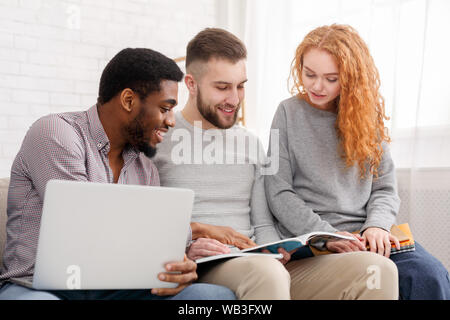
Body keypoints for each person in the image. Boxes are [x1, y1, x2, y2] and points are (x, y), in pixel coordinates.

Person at [153, 27, 399, 300]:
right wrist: (185, 245)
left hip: (257, 259)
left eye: (241, 86)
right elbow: (146, 223)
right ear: (191, 84)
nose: (234, 99)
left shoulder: (251, 144)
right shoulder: (158, 140)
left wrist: (274, 248)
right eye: (222, 87)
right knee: (266, 273)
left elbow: (262, 219)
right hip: (206, 263)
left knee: (378, 271)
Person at [0, 48, 235, 300]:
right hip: (39, 287)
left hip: (118, 288)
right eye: (165, 108)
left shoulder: (145, 168)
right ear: (128, 101)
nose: (171, 121)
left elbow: (148, 242)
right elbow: (85, 226)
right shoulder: (56, 133)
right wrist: (194, 228)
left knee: (211, 296)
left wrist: (179, 268)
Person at [264, 24, 450, 300]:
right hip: (315, 239)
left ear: (349, 77)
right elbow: (278, 191)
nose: (317, 86)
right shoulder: (287, 113)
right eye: (309, 74)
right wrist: (328, 235)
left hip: (366, 236)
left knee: (429, 274)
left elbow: (385, 188)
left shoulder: (366, 116)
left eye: (331, 78)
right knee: (374, 275)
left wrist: (377, 226)